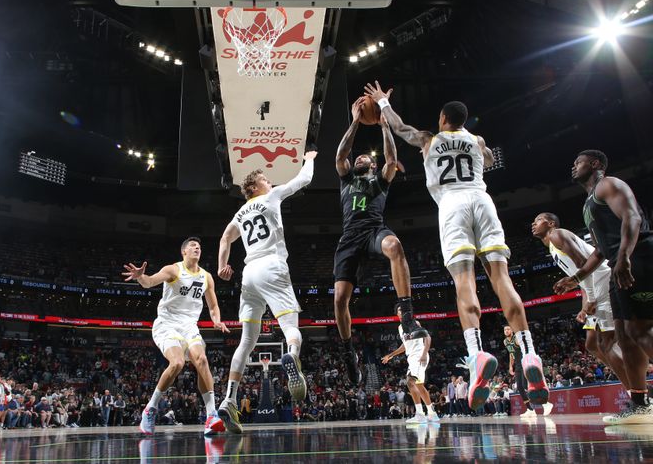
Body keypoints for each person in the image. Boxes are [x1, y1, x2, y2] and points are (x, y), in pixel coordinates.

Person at [368, 82, 549, 411]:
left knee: (464, 281)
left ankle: (477, 353)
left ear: (442, 119)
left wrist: (382, 102)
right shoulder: (477, 140)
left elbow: (398, 126)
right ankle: (530, 353)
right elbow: (490, 157)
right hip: (482, 200)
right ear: (463, 121)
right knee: (502, 279)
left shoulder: (429, 139)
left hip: (452, 206)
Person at [216, 151, 317, 434]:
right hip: (272, 265)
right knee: (290, 327)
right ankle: (292, 355)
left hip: (248, 275)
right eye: (265, 179)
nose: (270, 181)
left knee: (247, 341)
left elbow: (225, 238)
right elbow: (304, 179)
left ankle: (229, 399)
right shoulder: (270, 198)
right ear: (255, 187)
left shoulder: (239, 212)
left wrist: (222, 266)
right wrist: (309, 158)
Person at [554, 150, 653, 424]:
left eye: (578, 162)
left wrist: (623, 258)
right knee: (622, 336)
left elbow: (632, 218)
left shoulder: (609, 185)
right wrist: (575, 279)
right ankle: (640, 402)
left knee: (639, 329)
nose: (573, 166)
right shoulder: (588, 203)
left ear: (595, 164)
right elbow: (599, 250)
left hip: (639, 256)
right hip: (618, 261)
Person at [333, 100, 426, 385]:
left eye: (364, 158)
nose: (359, 158)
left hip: (374, 230)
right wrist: (356, 122)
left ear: (372, 165)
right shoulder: (347, 177)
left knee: (395, 247)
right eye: (357, 157)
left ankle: (407, 316)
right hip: (350, 236)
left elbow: (390, 159)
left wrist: (385, 126)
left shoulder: (381, 179)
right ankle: (349, 352)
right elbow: (341, 154)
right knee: (339, 300)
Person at [123, 237, 230, 436]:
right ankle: (150, 409)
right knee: (178, 363)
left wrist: (217, 320)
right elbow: (149, 282)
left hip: (189, 326)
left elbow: (213, 305)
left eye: (198, 246)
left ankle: (211, 416)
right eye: (192, 246)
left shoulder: (206, 276)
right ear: (184, 252)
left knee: (202, 360)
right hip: (167, 324)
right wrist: (140, 276)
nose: (197, 247)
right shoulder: (173, 269)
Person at [531, 213, 630, 392]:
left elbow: (585, 265)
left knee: (606, 344)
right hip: (595, 287)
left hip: (604, 281)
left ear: (551, 223)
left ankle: (638, 393)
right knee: (592, 344)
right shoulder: (553, 246)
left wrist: (591, 299)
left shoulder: (557, 235)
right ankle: (634, 381)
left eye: (538, 220)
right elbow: (581, 277)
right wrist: (585, 306)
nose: (533, 223)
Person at [381, 308, 438, 423]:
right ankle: (432, 413)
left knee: (410, 382)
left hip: (419, 355)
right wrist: (391, 355)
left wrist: (424, 353)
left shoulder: (414, 323)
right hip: (412, 357)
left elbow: (427, 337)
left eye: (403, 309)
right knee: (419, 385)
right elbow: (405, 345)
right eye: (399, 310)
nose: (401, 311)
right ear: (397, 314)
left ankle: (420, 414)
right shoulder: (400, 328)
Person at [502, 325, 553, 418]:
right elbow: (511, 353)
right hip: (517, 365)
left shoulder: (516, 339)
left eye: (508, 329)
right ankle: (530, 409)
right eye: (505, 329)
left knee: (526, 385)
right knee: (520, 387)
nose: (506, 331)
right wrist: (510, 366)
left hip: (524, 362)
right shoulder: (505, 342)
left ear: (512, 330)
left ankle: (546, 404)